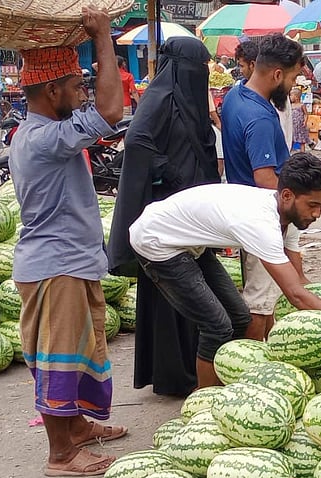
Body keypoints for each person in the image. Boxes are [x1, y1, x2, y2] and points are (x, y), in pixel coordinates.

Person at [129, 154, 321, 388]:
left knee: (241, 319)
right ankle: (204, 401)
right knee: (216, 326)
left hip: (188, 242)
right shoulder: (260, 223)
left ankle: (230, 383)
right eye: (312, 205)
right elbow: (295, 294)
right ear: (287, 196)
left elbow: (300, 280)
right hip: (157, 241)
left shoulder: (291, 219)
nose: (317, 213)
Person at [10, 7, 128, 476]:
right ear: (52, 91)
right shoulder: (43, 138)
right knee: (58, 360)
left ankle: (76, 428)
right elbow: (111, 112)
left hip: (69, 261)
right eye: (77, 87)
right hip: (54, 265)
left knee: (79, 352)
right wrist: (103, 38)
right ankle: (60, 454)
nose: (83, 95)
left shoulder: (43, 133)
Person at [106, 37, 221, 398]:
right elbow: (137, 140)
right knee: (173, 294)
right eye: (196, 69)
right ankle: (175, 375)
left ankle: (194, 367)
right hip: (166, 212)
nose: (199, 75)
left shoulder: (188, 100)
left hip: (192, 212)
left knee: (196, 289)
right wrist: (166, 169)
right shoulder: (161, 99)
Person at [221, 33, 305, 339]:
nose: (293, 85)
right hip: (263, 214)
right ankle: (250, 357)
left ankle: (268, 347)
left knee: (267, 299)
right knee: (259, 301)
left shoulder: (235, 95)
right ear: (277, 74)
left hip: (245, 207)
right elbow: (265, 178)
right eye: (293, 77)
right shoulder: (259, 118)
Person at [290, 85, 306, 152]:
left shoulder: (302, 105)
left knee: (301, 140)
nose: (290, 97)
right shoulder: (291, 105)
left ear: (296, 97)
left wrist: (305, 121)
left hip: (300, 125)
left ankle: (302, 153)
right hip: (293, 125)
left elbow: (305, 114)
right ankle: (289, 152)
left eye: (291, 95)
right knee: (291, 139)